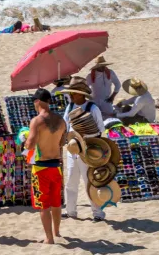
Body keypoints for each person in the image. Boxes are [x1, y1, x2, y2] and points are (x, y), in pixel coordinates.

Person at [59, 76, 106, 221]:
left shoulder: (93, 108)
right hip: (73, 149)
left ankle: (97, 213)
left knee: (89, 181)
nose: (71, 95)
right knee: (71, 181)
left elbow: (100, 130)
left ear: (80, 93)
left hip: (88, 149)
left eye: (73, 93)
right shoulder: (69, 107)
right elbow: (65, 126)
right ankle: (71, 211)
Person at [24, 88, 66, 245]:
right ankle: (57, 231)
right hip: (56, 166)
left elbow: (30, 145)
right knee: (56, 202)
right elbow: (62, 142)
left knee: (43, 205)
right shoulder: (61, 120)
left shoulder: (37, 121)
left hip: (41, 167)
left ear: (37, 101)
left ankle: (49, 238)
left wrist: (25, 140)